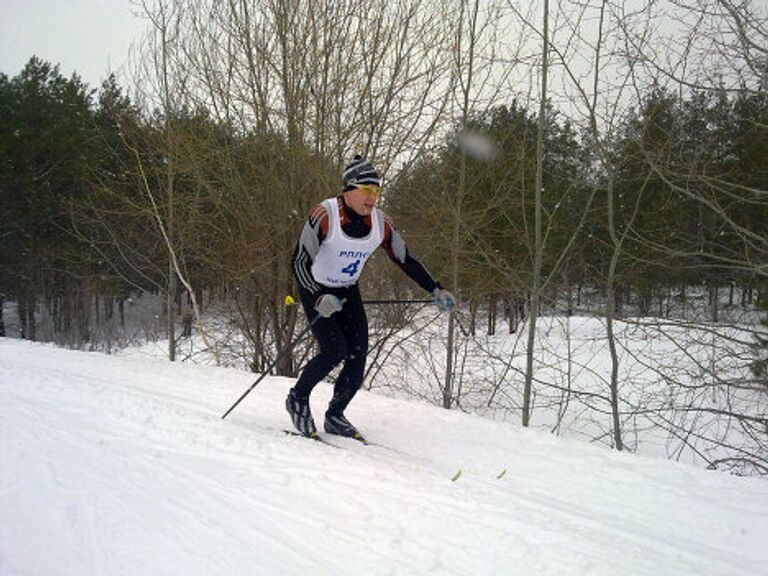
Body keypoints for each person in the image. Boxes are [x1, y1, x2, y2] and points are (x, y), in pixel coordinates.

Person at [287, 155, 456, 440]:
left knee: (357, 353)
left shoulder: (381, 223)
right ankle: (297, 398)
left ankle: (335, 414)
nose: (372, 197)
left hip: (348, 289)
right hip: (316, 288)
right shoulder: (325, 215)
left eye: (376, 191)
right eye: (366, 190)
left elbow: (406, 259)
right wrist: (317, 297)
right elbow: (300, 261)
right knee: (334, 350)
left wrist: (436, 289)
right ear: (348, 190)